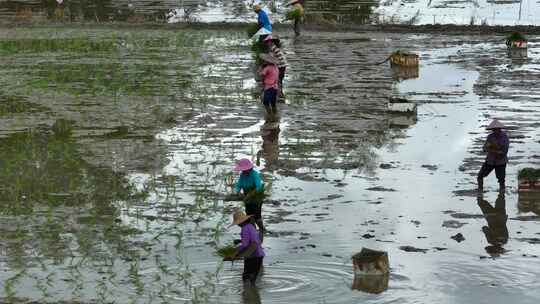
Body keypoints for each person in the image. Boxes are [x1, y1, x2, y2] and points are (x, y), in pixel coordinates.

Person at [224, 210, 265, 286]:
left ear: (240, 222)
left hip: (252, 256)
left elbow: (245, 245)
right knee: (253, 279)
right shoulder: (251, 227)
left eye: (238, 223)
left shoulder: (245, 229)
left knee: (246, 277)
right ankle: (254, 294)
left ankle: (246, 295)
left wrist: (234, 253)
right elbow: (255, 240)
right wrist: (240, 241)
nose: (238, 225)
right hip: (259, 255)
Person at [234, 158, 265, 238]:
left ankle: (262, 231)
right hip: (247, 199)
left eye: (245, 170)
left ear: (249, 168)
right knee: (249, 215)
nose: (243, 171)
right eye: (242, 170)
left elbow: (259, 187)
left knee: (257, 216)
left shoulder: (254, 174)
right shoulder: (242, 175)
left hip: (256, 198)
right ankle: (253, 232)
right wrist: (236, 191)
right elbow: (239, 185)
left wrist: (251, 194)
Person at [477, 119, 509, 192]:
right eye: (494, 130)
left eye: (497, 129)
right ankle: (480, 190)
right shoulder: (490, 137)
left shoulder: (504, 137)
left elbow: (505, 150)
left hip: (501, 161)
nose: (495, 131)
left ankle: (502, 192)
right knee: (480, 175)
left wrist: (497, 151)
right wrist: (488, 148)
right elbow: (485, 148)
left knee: (501, 179)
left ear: (500, 129)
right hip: (490, 161)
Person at [257, 53, 280, 120]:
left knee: (265, 102)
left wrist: (260, 68)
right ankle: (275, 114)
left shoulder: (268, 68)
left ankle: (269, 114)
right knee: (273, 103)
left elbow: (261, 74)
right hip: (275, 87)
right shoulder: (276, 67)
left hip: (269, 87)